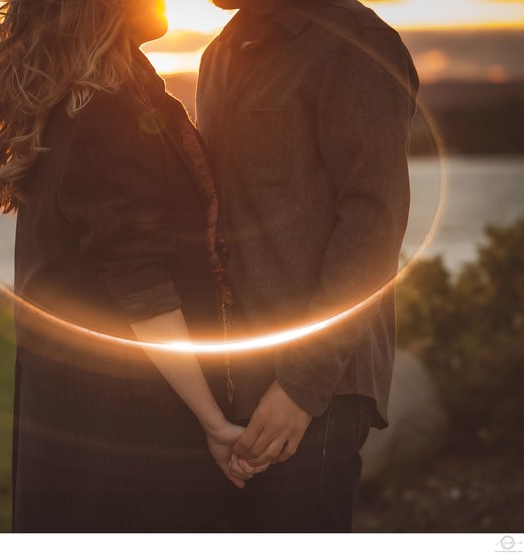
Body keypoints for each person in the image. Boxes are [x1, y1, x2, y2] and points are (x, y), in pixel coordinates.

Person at [0, 0, 247, 532]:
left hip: (80, 409)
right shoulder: (104, 109)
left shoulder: (80, 98)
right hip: (126, 427)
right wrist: (213, 421)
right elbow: (141, 283)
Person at [196, 0, 420, 532]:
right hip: (234, 384)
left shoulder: (356, 43)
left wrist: (301, 386)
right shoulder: (220, 51)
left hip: (317, 394)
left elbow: (374, 222)